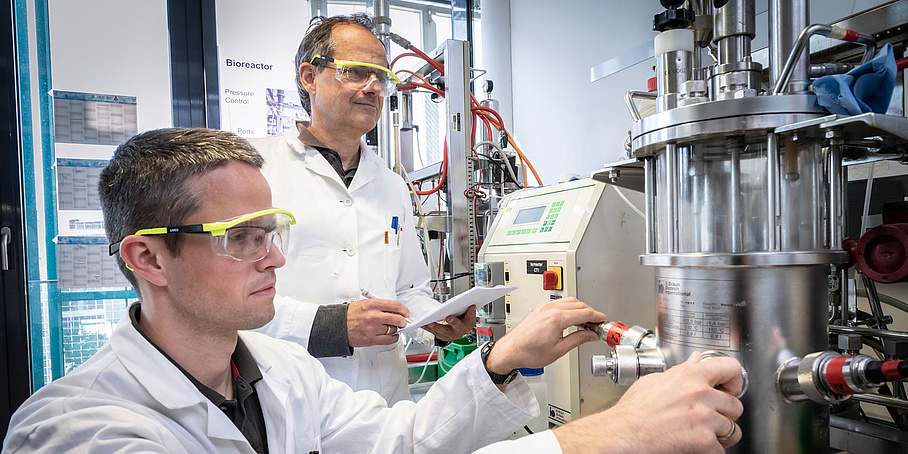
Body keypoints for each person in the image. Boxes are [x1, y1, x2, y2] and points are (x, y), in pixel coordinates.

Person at [2, 128, 744, 453]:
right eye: (244, 238)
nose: (275, 261)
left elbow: (402, 442)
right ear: (148, 260)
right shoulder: (77, 433)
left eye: (274, 232)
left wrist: (498, 361)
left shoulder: (277, 372)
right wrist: (600, 438)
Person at [249, 13, 474, 404]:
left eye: (381, 76)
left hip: (384, 398)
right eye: (355, 72)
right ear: (309, 77)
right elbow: (230, 296)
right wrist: (332, 326)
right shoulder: (255, 169)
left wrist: (434, 321)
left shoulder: (391, 184)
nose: (373, 87)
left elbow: (408, 287)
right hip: (291, 395)